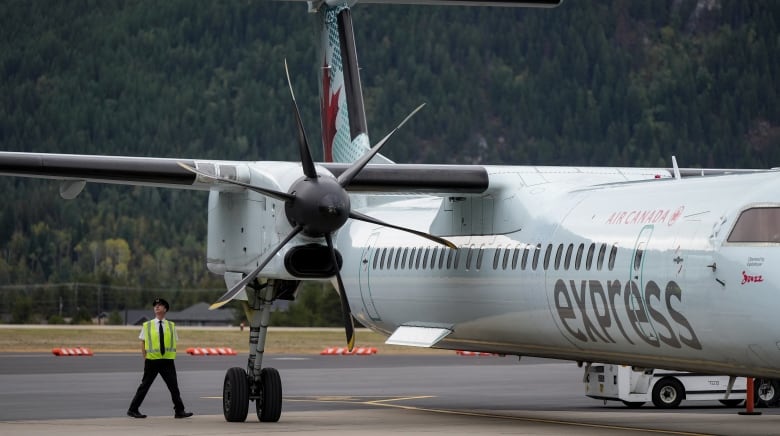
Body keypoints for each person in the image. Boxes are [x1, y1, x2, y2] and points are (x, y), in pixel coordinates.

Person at [127, 297, 194, 419]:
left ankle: (179, 411)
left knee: (174, 387)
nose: (157, 307)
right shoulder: (147, 325)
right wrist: (145, 358)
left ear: (165, 309)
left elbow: (173, 342)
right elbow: (143, 342)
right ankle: (133, 409)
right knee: (144, 386)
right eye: (155, 305)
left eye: (160, 305)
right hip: (152, 360)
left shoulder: (171, 325)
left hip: (167, 361)